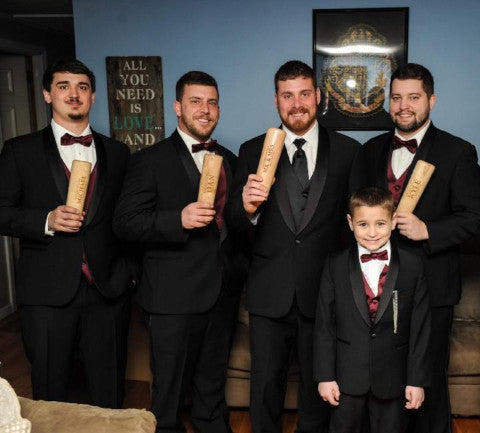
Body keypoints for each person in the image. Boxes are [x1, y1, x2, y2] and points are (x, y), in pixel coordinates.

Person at [227, 60, 361, 433]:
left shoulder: (349, 151)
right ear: (276, 101)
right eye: (288, 95)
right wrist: (248, 209)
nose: (297, 103)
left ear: (318, 96)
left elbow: (354, 229)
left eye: (304, 93)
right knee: (265, 385)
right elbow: (234, 224)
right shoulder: (252, 149)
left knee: (318, 385)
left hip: (324, 291)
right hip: (269, 291)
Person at [355, 63, 480, 433]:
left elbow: (476, 217)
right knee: (380, 373)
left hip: (432, 284)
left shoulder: (458, 151)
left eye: (413, 97)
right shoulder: (369, 151)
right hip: (376, 285)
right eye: (396, 97)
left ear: (431, 99)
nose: (404, 106)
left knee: (426, 376)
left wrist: (428, 229)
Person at [113, 71, 247, 433]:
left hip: (220, 292)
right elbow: (124, 223)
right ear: (177, 107)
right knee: (169, 393)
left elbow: (235, 224)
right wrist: (178, 219)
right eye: (196, 101)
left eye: (212, 102)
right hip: (171, 296)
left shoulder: (231, 160)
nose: (205, 110)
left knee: (212, 385)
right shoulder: (149, 160)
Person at [0, 59, 132, 407]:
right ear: (47, 94)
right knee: (50, 389)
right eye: (63, 86)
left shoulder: (118, 153)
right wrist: (46, 219)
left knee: (110, 392)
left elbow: (127, 219)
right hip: (46, 292)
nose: (74, 95)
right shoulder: (19, 151)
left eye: (82, 87)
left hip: (107, 291)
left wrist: (128, 277)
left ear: (92, 97)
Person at [314, 187, 431, 433]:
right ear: (350, 223)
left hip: (393, 379)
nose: (372, 233)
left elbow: (421, 328)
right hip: (346, 378)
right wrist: (325, 376)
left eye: (380, 223)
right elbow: (324, 324)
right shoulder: (334, 264)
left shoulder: (412, 265)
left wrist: (416, 381)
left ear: (392, 221)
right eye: (363, 224)